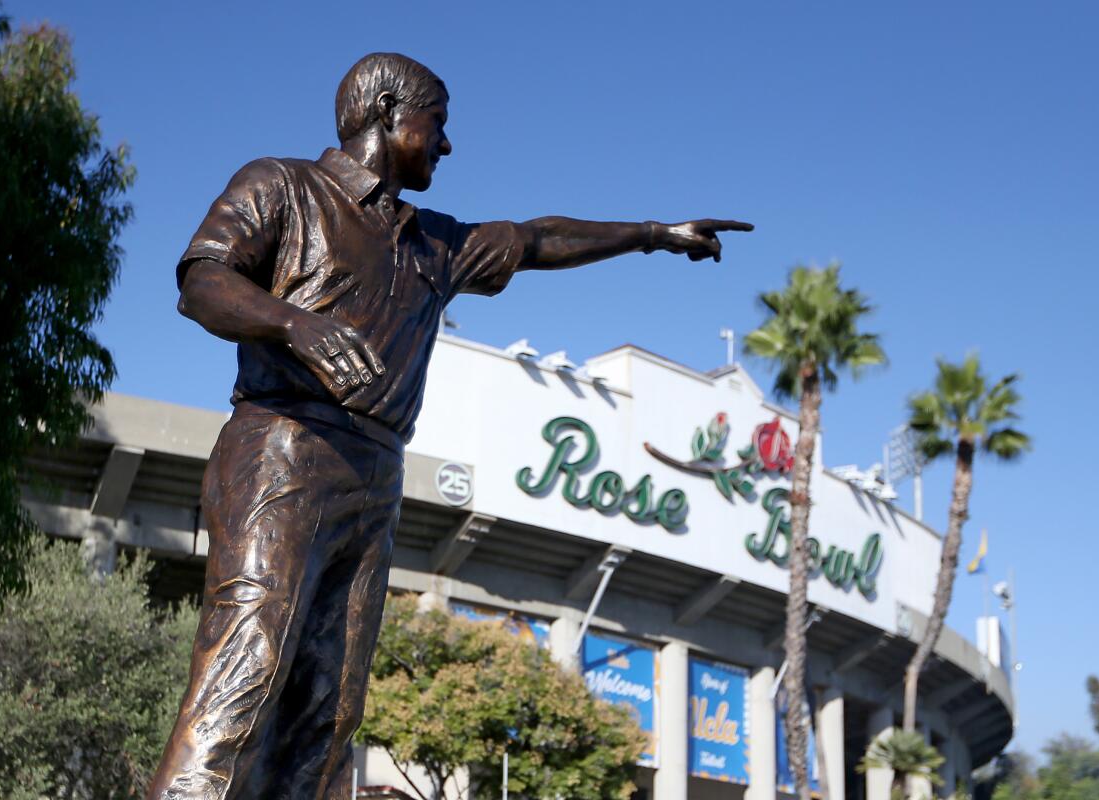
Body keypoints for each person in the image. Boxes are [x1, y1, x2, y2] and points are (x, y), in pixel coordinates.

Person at [149, 52, 753, 800]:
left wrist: (653, 233)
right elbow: (203, 281)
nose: (447, 143)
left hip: (376, 475)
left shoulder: (434, 242)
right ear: (387, 112)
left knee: (332, 704)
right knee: (250, 657)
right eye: (438, 122)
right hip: (282, 449)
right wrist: (292, 325)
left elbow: (536, 240)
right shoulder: (283, 184)